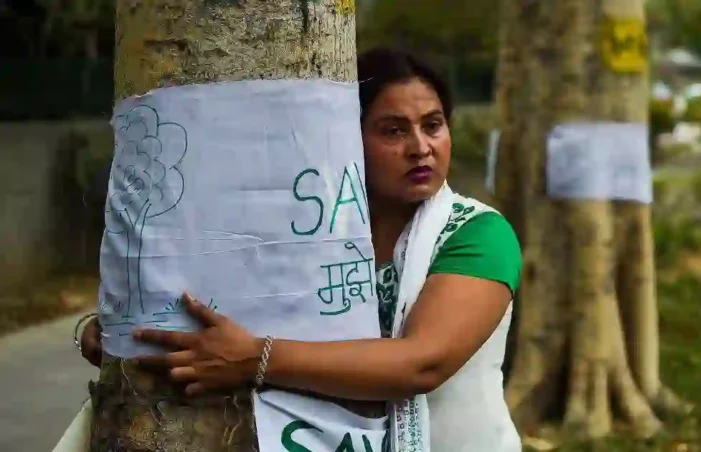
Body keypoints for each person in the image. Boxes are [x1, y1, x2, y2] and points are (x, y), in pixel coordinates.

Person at [79, 47, 523, 451]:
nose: (420, 148)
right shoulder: (309, 232)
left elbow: (423, 364)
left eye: (433, 125)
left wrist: (258, 358)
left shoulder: (477, 233)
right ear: (348, 139)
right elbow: (227, 315)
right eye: (393, 131)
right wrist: (134, 328)